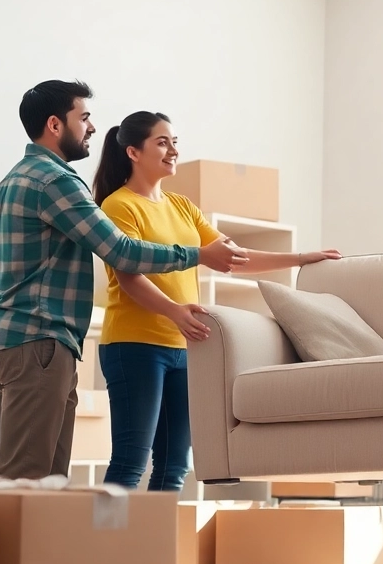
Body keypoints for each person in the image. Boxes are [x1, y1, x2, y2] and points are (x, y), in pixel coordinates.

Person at [0, 81, 248, 481]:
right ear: (55, 125)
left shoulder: (14, 179)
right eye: (84, 117)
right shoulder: (55, 181)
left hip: (19, 340)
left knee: (43, 483)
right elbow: (122, 251)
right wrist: (196, 254)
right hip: (39, 342)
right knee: (28, 481)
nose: (91, 128)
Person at [92, 111, 341, 491]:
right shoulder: (119, 206)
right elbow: (128, 276)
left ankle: (155, 548)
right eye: (162, 142)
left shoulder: (182, 206)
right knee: (130, 461)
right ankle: (106, 549)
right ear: (133, 152)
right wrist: (174, 312)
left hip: (186, 347)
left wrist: (300, 258)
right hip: (135, 345)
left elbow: (232, 256)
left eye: (175, 141)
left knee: (175, 464)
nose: (173, 150)